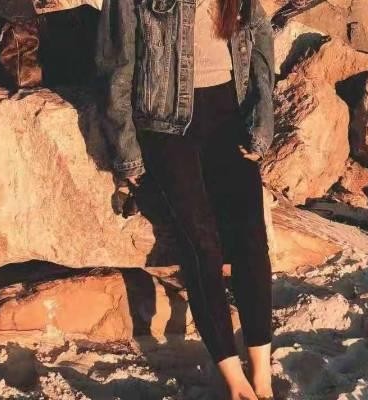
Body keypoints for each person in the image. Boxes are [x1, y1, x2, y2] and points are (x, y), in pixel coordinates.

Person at [95, 0, 275, 398]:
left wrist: (261, 124)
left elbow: (260, 41)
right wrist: (127, 153)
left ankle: (262, 376)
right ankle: (235, 382)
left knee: (251, 240)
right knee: (202, 246)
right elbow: (116, 66)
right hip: (166, 125)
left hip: (229, 113)